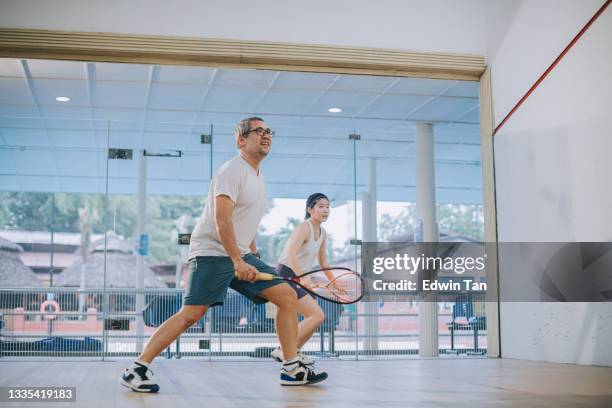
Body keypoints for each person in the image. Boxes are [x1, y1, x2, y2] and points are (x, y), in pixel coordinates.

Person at [121, 117, 327, 392]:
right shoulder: (232, 170)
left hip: (239, 253)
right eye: (258, 131)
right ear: (241, 140)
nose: (266, 135)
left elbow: (243, 220)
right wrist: (237, 261)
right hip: (212, 253)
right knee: (191, 315)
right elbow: (222, 220)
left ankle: (291, 367)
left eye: (269, 132)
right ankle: (137, 368)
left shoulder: (258, 176)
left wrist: (251, 252)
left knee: (287, 296)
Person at [270, 193, 337, 363]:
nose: (326, 210)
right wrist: (303, 279)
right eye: (321, 206)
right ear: (310, 209)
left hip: (300, 277)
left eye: (327, 206)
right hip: (287, 275)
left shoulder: (323, 233)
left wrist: (334, 282)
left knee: (314, 318)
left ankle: (293, 352)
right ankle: (284, 350)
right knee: (317, 315)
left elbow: (323, 261)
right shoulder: (303, 228)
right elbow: (291, 255)